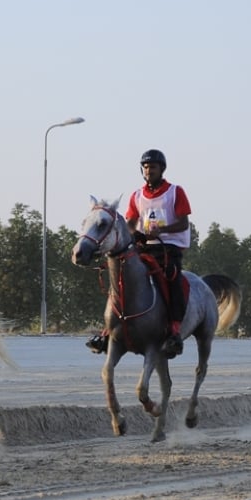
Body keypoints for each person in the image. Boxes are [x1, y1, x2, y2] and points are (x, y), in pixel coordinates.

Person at [88, 148, 190, 359]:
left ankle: (174, 329)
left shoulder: (175, 192)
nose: (148, 171)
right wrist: (135, 234)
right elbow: (132, 224)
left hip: (169, 248)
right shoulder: (136, 196)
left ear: (161, 169)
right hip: (144, 247)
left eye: (152, 167)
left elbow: (183, 223)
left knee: (172, 279)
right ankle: (108, 330)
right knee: (121, 277)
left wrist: (162, 230)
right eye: (145, 167)